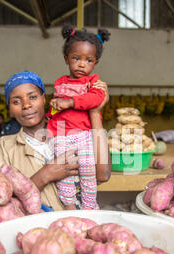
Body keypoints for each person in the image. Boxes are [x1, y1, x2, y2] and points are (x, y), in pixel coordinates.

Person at [0, 70, 110, 211]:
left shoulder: (72, 133)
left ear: (44, 99)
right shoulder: (3, 147)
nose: (26, 105)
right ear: (10, 109)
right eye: (16, 101)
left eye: (32, 97)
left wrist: (94, 111)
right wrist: (45, 175)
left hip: (80, 225)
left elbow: (103, 174)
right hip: (35, 229)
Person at [45, 23, 111, 210]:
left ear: (95, 62)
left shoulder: (93, 82)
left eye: (88, 60)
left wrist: (70, 102)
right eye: (76, 58)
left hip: (83, 135)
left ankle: (89, 204)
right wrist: (53, 111)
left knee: (88, 169)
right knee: (64, 171)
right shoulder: (60, 82)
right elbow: (58, 106)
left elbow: (96, 99)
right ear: (66, 59)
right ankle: (69, 204)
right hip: (60, 134)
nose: (82, 64)